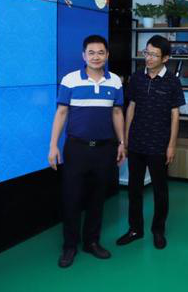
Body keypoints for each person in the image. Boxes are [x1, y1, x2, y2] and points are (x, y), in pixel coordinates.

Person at [48, 35, 126, 268]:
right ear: (84, 56)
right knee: (72, 198)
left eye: (100, 52)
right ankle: (69, 246)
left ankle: (92, 242)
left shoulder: (115, 82)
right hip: (76, 149)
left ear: (107, 55)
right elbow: (61, 113)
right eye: (91, 53)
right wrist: (53, 145)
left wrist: (122, 142)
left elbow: (117, 113)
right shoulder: (70, 80)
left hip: (104, 149)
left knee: (97, 198)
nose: (96, 57)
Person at [116, 35, 185, 250]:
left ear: (165, 58)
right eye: (147, 53)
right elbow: (131, 108)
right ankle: (135, 229)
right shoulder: (137, 77)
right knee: (134, 189)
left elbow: (175, 115)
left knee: (159, 190)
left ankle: (158, 230)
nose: (148, 58)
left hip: (159, 144)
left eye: (154, 55)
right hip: (137, 142)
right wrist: (126, 138)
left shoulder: (172, 81)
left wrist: (171, 145)